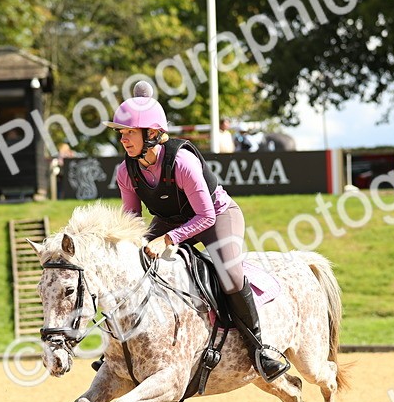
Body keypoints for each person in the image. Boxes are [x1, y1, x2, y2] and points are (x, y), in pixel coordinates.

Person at [107, 80, 290, 381]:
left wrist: (168, 239)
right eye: (121, 133)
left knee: (230, 276)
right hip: (171, 219)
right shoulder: (126, 171)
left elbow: (205, 216)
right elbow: (132, 221)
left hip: (217, 216)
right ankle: (119, 349)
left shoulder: (183, 162)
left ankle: (259, 349)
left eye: (129, 132)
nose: (123, 139)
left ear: (151, 134)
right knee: (133, 264)